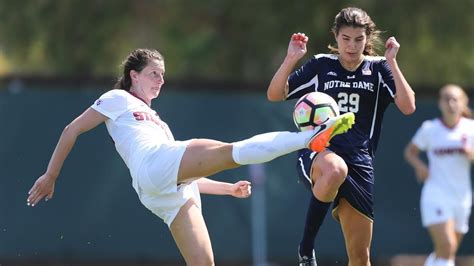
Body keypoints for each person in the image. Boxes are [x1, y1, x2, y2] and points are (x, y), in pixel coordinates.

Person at [26, 48, 355, 265]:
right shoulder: (117, 98)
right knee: (231, 151)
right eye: (154, 73)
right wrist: (51, 175)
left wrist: (228, 189)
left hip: (163, 191)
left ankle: (307, 137)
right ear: (133, 76)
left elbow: (186, 174)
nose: (161, 79)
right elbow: (71, 129)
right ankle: (308, 137)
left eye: (163, 74)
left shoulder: (159, 122)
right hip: (154, 165)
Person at [267, 7, 416, 266]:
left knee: (360, 257)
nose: (352, 45)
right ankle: (306, 248)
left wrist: (392, 61)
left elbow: (408, 106)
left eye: (359, 39)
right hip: (318, 153)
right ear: (336, 36)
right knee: (335, 169)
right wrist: (291, 58)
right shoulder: (321, 64)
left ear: (367, 39)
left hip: (359, 162)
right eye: (346, 38)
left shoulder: (379, 68)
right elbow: (275, 94)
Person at [404, 84, 474, 266]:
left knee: (447, 252)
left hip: (462, 197)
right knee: (448, 245)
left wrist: (471, 154)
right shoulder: (430, 128)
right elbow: (410, 152)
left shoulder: (470, 128)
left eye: (455, 99)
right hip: (436, 194)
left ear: (463, 103)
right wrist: (420, 166)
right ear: (440, 103)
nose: (451, 103)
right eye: (446, 99)